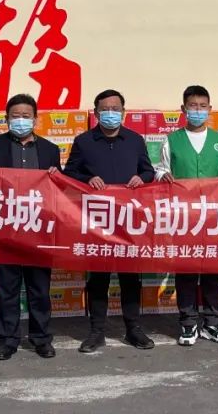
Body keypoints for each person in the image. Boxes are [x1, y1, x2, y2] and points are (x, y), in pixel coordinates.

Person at [63, 89, 157, 353]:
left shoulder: (135, 140)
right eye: (105, 109)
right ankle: (97, 332)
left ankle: (133, 329)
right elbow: (69, 173)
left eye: (115, 109)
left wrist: (142, 178)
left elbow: (148, 170)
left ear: (123, 112)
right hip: (98, 221)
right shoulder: (84, 141)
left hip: (128, 220)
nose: (110, 113)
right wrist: (87, 179)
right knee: (98, 279)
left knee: (130, 278)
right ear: (96, 113)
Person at [0, 94, 62, 360]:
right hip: (5, 229)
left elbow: (59, 189)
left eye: (26, 116)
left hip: (39, 228)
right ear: (6, 119)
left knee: (39, 289)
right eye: (15, 116)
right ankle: (7, 340)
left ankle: (41, 338)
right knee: (6, 289)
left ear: (36, 119)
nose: (21, 120)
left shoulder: (50, 149)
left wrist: (57, 178)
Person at [155, 85, 218, 346]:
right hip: (185, 218)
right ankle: (188, 323)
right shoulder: (172, 140)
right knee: (187, 272)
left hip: (213, 216)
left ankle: (212, 323)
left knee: (213, 271)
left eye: (203, 106)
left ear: (210, 109)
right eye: (193, 106)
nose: (198, 110)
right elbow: (161, 169)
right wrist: (162, 175)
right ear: (183, 109)